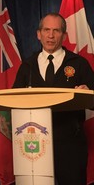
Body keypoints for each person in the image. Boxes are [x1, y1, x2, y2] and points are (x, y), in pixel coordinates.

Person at [12, 12, 94, 185]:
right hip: (33, 145)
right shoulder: (27, 66)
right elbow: (14, 101)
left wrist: (88, 94)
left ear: (64, 35)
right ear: (38, 34)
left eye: (56, 31)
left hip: (70, 145)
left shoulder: (79, 64)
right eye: (46, 30)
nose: (50, 35)